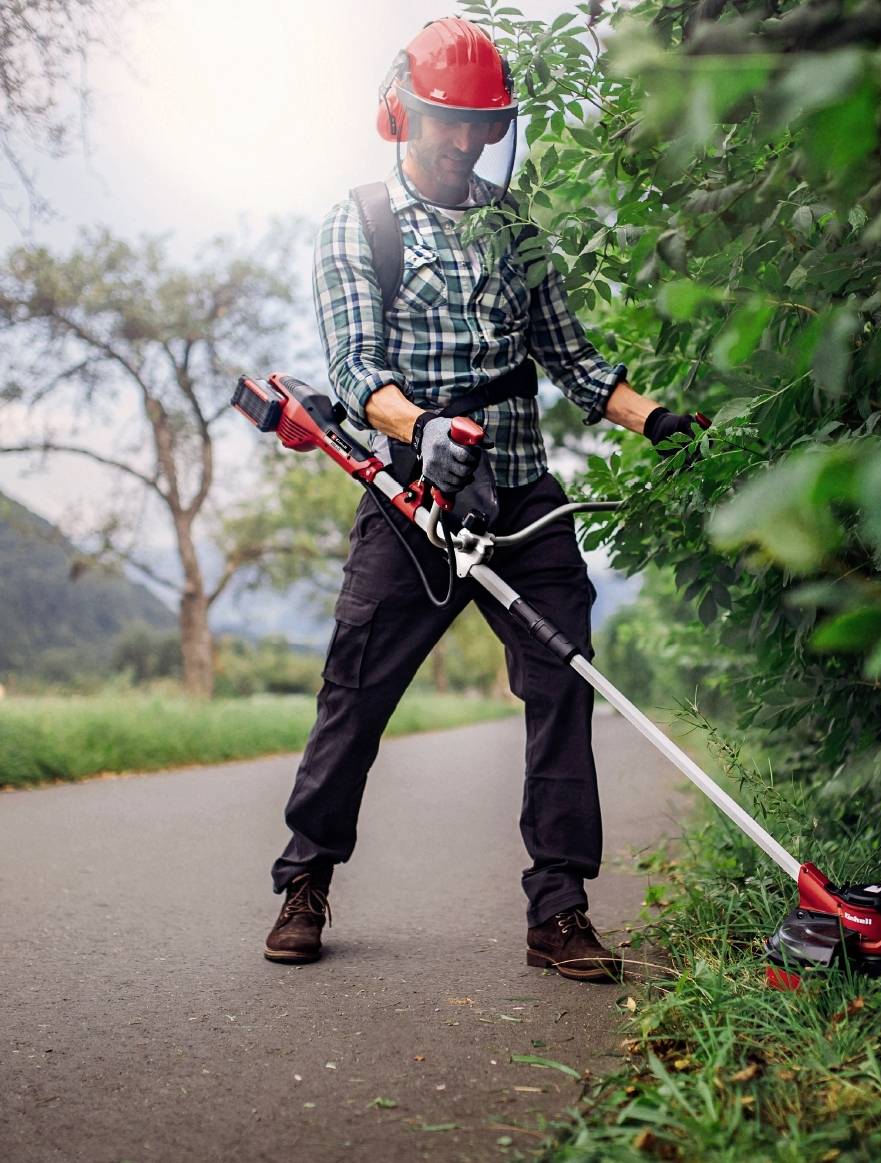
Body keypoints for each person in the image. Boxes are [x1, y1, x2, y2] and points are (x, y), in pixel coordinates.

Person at [263, 17, 707, 983]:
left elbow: (576, 361)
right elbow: (352, 369)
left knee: (564, 689)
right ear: (403, 114)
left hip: (522, 498)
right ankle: (305, 879)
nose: (464, 144)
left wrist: (660, 418)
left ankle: (561, 911)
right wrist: (419, 429)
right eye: (446, 124)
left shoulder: (515, 229)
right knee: (357, 694)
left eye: (481, 126)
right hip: (410, 501)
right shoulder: (360, 223)